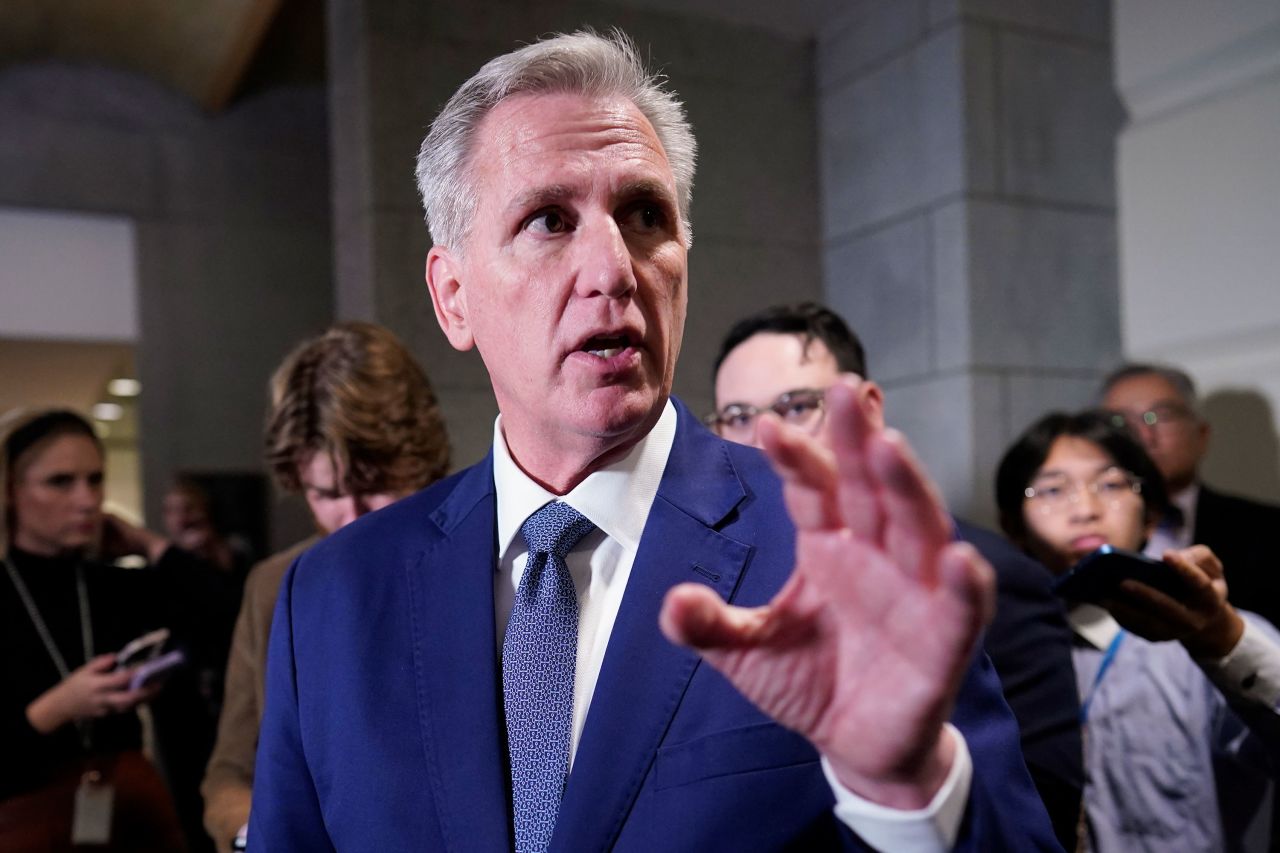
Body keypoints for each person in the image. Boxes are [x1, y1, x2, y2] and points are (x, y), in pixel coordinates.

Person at [249, 30, 1058, 851]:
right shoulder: (332, 598)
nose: (613, 268)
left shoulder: (840, 549)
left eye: (644, 215)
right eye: (549, 219)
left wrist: (905, 793)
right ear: (454, 295)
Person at [708, 302, 1084, 850]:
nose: (767, 441)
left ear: (868, 407)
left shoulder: (989, 576)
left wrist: (911, 787)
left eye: (795, 406)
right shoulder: (718, 585)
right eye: (738, 417)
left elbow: (1041, 810)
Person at [200, 322, 451, 851]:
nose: (351, 518)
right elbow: (228, 774)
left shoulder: (500, 561)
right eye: (326, 493)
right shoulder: (274, 588)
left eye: (374, 487)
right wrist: (263, 831)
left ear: (422, 461)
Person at [995, 409, 1280, 852]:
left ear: (1151, 516)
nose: (1085, 509)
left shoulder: (1216, 637)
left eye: (1111, 485)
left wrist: (1223, 640)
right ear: (1013, 528)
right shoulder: (999, 651)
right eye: (1052, 489)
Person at [0, 408, 214, 852]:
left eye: (95, 480)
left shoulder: (114, 584)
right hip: (27, 820)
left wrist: (149, 544)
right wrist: (56, 708)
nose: (87, 500)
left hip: (130, 816)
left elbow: (227, 615)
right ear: (10, 491)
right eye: (60, 482)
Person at [1101, 363, 1280, 628]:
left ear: (1202, 435)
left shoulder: (1269, 531)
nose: (1143, 435)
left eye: (1160, 416)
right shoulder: (1075, 529)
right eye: (1121, 422)